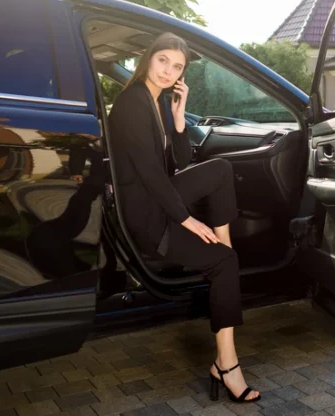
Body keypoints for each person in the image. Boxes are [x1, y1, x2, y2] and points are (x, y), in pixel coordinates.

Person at [107, 32, 260, 404]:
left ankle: (223, 256)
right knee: (226, 264)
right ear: (148, 58)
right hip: (146, 217)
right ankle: (227, 365)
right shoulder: (130, 104)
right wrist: (187, 220)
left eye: (176, 66)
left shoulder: (156, 100)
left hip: (156, 198)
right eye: (163, 61)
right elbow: (151, 175)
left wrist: (178, 116)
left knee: (220, 170)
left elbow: (180, 163)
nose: (168, 71)